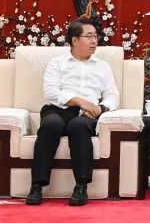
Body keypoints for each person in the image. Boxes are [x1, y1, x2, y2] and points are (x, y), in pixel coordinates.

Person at [27, 17, 119, 207]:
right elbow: (51, 92)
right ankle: (36, 186)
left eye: (96, 36)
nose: (94, 41)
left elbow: (112, 96)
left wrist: (99, 108)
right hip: (58, 109)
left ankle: (81, 186)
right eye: (89, 36)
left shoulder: (102, 66)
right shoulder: (57, 63)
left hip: (87, 115)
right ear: (75, 40)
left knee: (79, 127)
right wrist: (79, 101)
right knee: (51, 125)